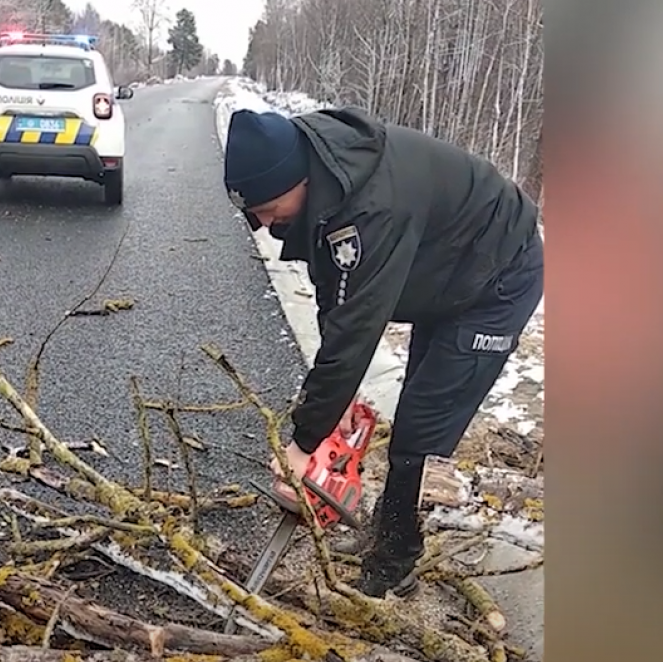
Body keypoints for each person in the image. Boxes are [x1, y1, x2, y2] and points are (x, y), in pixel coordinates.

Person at [222, 106, 543, 599]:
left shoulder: (372, 207)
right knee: (416, 407)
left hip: (498, 278)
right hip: (446, 272)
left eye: (267, 208)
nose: (263, 225)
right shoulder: (325, 178)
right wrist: (338, 401)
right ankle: (387, 533)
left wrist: (304, 444)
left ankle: (394, 562)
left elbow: (357, 328)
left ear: (295, 179)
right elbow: (336, 292)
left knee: (422, 431)